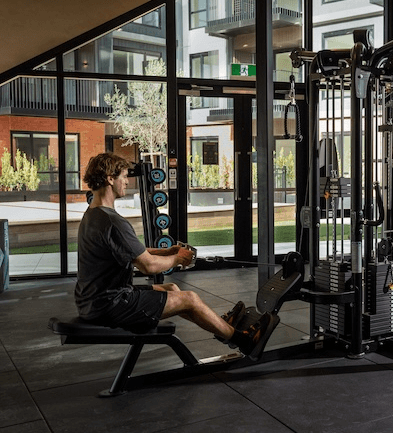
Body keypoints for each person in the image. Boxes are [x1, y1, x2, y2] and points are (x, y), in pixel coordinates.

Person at [74, 152, 277, 360]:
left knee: (172, 289)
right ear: (110, 178)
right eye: (124, 176)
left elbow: (132, 252)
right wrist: (178, 259)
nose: (127, 181)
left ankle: (222, 327)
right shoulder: (113, 221)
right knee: (190, 298)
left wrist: (167, 251)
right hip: (111, 305)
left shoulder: (93, 215)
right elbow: (148, 266)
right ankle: (243, 340)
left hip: (94, 300)